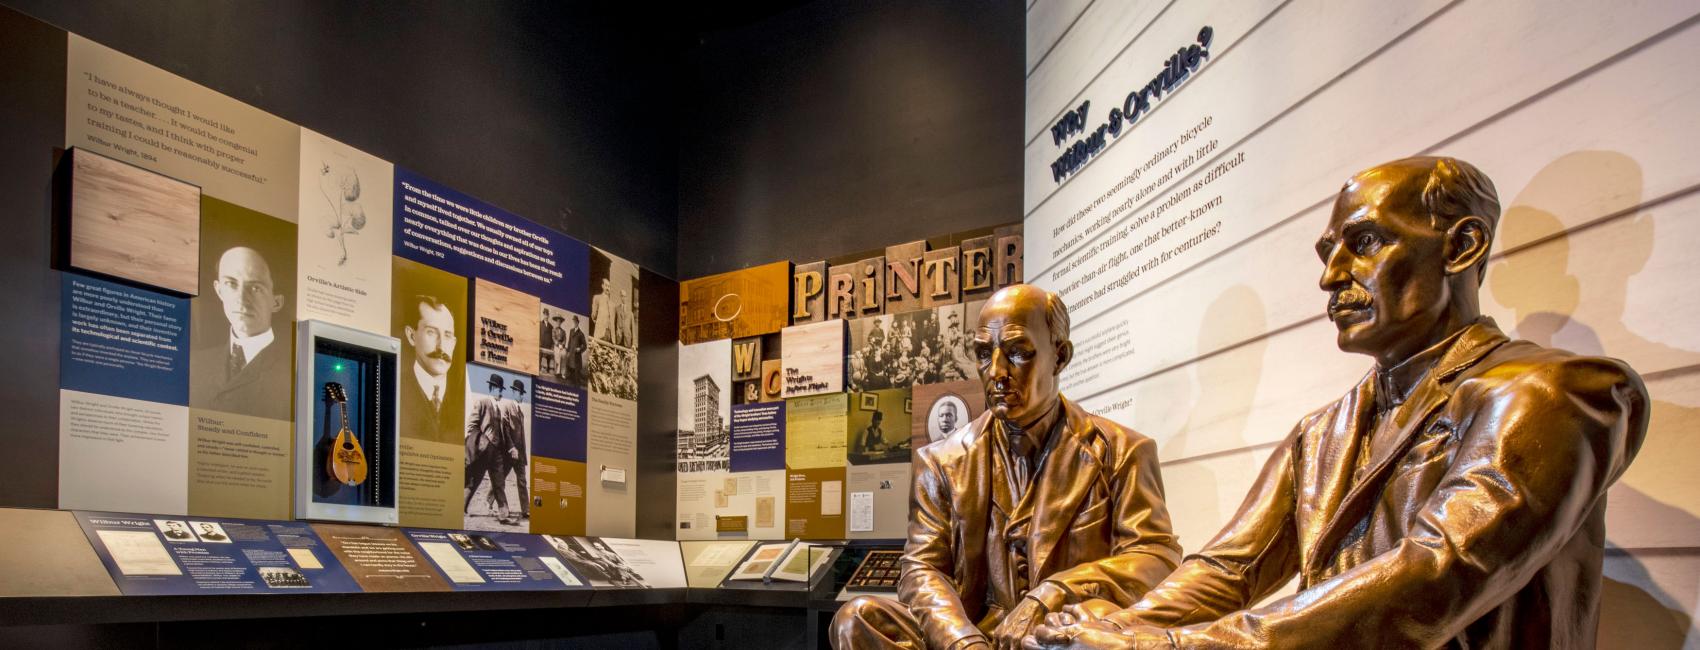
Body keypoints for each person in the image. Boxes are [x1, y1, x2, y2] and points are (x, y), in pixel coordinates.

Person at [1028, 157, 1650, 649]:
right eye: (1329, 253)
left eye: (1366, 242)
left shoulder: (1553, 393)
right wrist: (1111, 631)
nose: (1331, 275)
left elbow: (1428, 581)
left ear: (1461, 247)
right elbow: (1227, 570)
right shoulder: (1323, 431)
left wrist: (1157, 646)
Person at [831, 284, 1182, 650]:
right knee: (856, 619)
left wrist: (1054, 593)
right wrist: (961, 640)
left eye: (1017, 353)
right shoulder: (941, 461)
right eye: (984, 354)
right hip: (975, 632)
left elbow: (1156, 559)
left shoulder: (1122, 451)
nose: (996, 372)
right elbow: (922, 570)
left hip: (1060, 635)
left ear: (1059, 356)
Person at [192, 247, 290, 420]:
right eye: (231, 284)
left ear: (276, 302)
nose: (241, 299)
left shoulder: (292, 372)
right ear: (219, 290)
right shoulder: (194, 363)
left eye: (255, 288)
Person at [400, 295, 463, 445]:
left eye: (447, 336)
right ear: (411, 336)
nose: (441, 347)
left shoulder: (464, 397)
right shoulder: (395, 388)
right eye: (431, 332)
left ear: (453, 343)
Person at [465, 374, 512, 522]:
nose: (501, 393)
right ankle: (462, 507)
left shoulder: (499, 409)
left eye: (501, 389)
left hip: (497, 452)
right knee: (474, 481)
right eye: (499, 389)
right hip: (483, 451)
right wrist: (481, 442)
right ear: (492, 388)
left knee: (499, 483)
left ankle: (504, 514)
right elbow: (471, 426)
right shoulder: (482, 403)